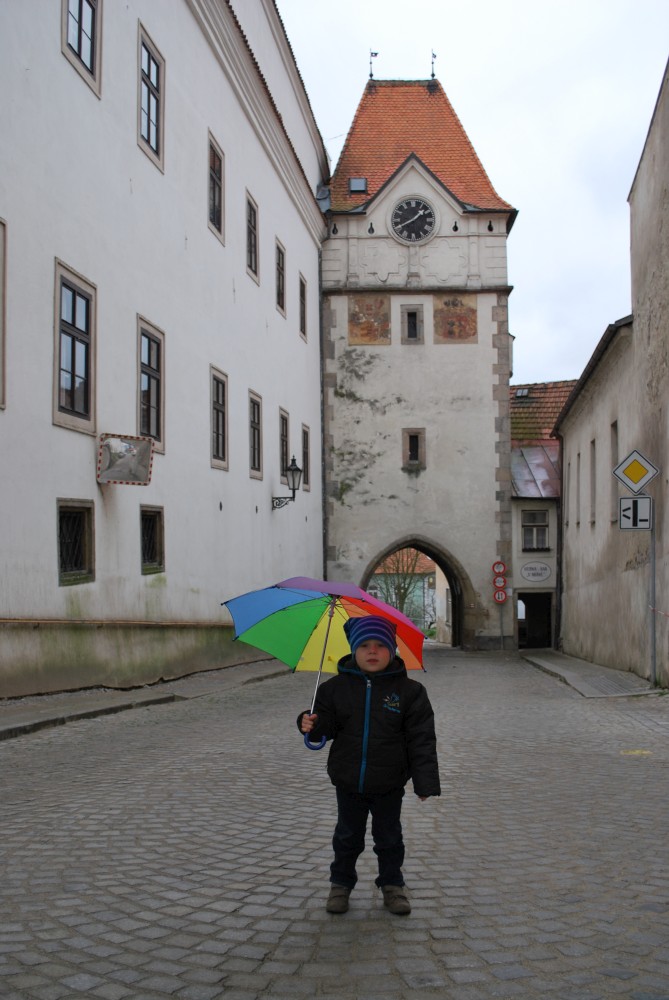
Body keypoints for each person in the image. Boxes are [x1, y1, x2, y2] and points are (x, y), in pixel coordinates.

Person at [297, 615, 440, 915]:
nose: (372, 651)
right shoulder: (333, 689)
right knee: (346, 836)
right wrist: (310, 723)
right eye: (364, 645)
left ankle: (392, 885)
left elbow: (421, 739)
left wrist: (425, 782)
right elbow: (325, 729)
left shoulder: (410, 692)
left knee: (389, 838)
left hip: (389, 782)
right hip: (348, 780)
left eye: (380, 645)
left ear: (392, 649)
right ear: (353, 649)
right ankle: (340, 884)